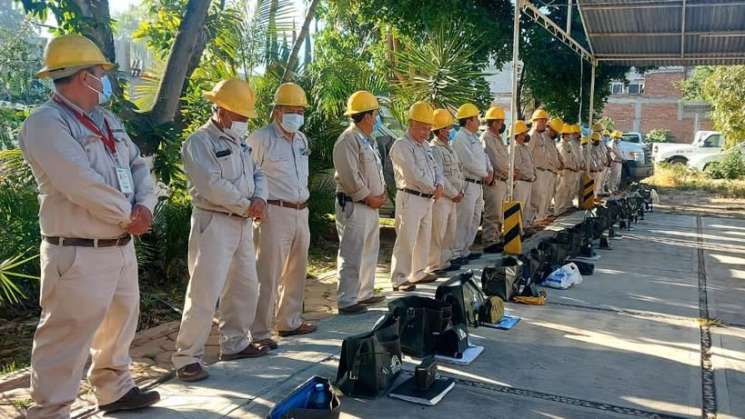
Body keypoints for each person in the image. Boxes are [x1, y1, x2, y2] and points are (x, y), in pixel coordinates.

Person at [20, 34, 159, 418]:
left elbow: (138, 165)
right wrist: (128, 214)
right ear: (84, 77)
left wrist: (145, 206)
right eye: (101, 72)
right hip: (78, 250)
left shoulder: (108, 120)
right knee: (66, 334)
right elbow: (79, 181)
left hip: (118, 245)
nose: (105, 79)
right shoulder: (45, 124)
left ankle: (114, 388)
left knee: (120, 322)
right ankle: (51, 409)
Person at [172, 79, 269, 383]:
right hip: (214, 222)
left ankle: (235, 343)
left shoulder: (239, 142)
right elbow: (211, 184)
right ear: (223, 110)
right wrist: (246, 204)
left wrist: (260, 199)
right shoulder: (199, 142)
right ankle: (187, 356)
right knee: (205, 290)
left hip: (241, 222)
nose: (244, 122)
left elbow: (257, 172)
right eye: (241, 117)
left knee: (245, 285)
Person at [249, 82, 316, 345]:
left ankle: (289, 321)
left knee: (297, 270)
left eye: (300, 110)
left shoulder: (301, 139)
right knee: (268, 273)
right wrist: (255, 203)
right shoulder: (260, 139)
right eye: (292, 110)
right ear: (277, 111)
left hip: (301, 211)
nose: (297, 115)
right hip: (274, 212)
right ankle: (260, 331)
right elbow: (250, 174)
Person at [332, 91, 387, 315]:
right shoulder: (348, 140)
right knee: (352, 252)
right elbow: (350, 176)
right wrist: (368, 196)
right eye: (375, 115)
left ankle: (364, 293)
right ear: (366, 116)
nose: (376, 119)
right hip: (356, 205)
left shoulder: (367, 140)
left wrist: (380, 194)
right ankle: (347, 299)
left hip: (370, 205)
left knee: (369, 250)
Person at [389, 101, 444, 292]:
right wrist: (433, 188)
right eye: (422, 128)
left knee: (423, 238)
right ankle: (400, 278)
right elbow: (412, 173)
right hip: (410, 198)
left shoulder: (426, 146)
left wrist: (440, 185)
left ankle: (418, 272)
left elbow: (436, 168)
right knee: (406, 239)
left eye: (429, 128)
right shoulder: (401, 146)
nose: (426, 132)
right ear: (411, 124)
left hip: (427, 198)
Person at [452, 103, 493, 261]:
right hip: (468, 183)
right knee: (464, 218)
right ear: (468, 121)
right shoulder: (461, 138)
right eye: (476, 118)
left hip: (478, 184)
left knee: (475, 218)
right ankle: (457, 252)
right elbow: (468, 161)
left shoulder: (474, 138)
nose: (478, 121)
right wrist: (485, 173)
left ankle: (466, 249)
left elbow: (483, 157)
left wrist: (490, 170)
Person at [427, 108, 464, 274]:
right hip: (443, 198)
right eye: (448, 128)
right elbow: (440, 175)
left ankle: (446, 261)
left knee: (450, 231)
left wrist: (459, 191)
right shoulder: (435, 149)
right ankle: (434, 264)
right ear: (440, 130)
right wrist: (454, 193)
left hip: (453, 197)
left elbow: (457, 172)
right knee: (438, 232)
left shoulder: (449, 148)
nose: (451, 131)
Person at [481, 106, 509, 253]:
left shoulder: (498, 138)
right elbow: (495, 160)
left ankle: (496, 238)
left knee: (500, 213)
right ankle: (490, 241)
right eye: (500, 121)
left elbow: (505, 158)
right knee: (493, 212)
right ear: (492, 122)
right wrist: (508, 171)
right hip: (495, 180)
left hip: (503, 179)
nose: (502, 124)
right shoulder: (487, 138)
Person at [526, 110, 555, 224]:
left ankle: (539, 218)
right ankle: (533, 220)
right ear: (534, 121)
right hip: (536, 171)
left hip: (543, 171)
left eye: (545, 121)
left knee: (542, 197)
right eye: (541, 121)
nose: (544, 123)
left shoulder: (541, 136)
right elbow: (528, 154)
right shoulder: (532, 135)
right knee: (536, 198)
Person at [512, 120, 536, 224]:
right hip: (521, 181)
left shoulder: (525, 148)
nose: (525, 135)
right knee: (520, 206)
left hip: (528, 181)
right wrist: (528, 176)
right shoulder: (515, 148)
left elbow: (530, 164)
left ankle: (524, 227)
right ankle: (517, 230)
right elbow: (518, 167)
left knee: (526, 207)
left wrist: (533, 175)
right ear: (517, 135)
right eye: (522, 133)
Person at [554, 123, 581, 215]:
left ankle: (564, 207)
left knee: (568, 190)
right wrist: (574, 167)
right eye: (569, 134)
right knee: (561, 191)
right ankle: (558, 210)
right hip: (565, 171)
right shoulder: (561, 146)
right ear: (564, 135)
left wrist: (576, 166)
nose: (570, 136)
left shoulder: (568, 145)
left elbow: (573, 158)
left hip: (571, 171)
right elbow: (565, 161)